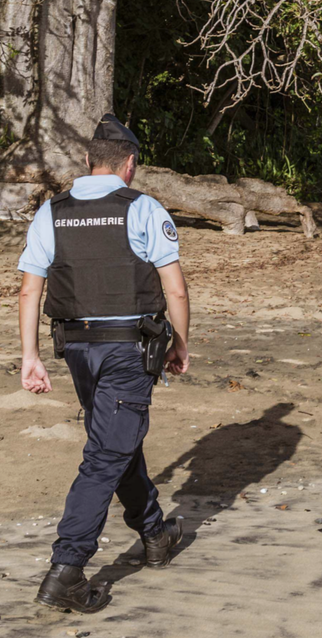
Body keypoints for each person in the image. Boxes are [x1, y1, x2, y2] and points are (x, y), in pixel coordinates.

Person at [18, 114, 191, 613]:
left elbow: (30, 290)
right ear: (129, 164)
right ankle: (67, 570)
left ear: (88, 160)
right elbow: (175, 288)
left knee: (114, 440)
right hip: (127, 350)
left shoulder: (52, 212)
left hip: (76, 348)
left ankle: (155, 535)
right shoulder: (143, 208)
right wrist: (181, 343)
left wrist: (30, 356)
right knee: (105, 454)